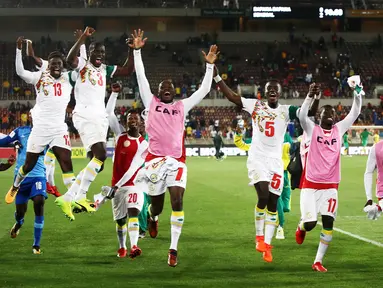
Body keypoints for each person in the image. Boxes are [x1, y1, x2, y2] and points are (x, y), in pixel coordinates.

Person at [131, 29, 218, 267]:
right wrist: (137, 52)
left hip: (177, 162)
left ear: (175, 91)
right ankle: (152, 217)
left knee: (178, 201)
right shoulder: (152, 102)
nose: (166, 89)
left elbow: (203, 91)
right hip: (154, 161)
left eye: (170, 87)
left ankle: (173, 249)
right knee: (157, 204)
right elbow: (141, 78)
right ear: (159, 92)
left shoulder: (182, 106)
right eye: (163, 87)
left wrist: (209, 67)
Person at [214, 67, 319, 263]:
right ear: (264, 92)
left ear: (279, 93)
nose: (272, 92)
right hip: (258, 158)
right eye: (269, 89)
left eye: (275, 89)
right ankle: (259, 237)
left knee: (272, 203)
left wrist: (313, 96)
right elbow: (232, 97)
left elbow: (310, 112)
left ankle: (267, 246)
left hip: (276, 162)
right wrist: (217, 76)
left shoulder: (286, 110)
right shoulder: (255, 105)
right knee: (262, 195)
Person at [56, 27, 134, 221]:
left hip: (100, 118)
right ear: (89, 52)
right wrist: (82, 39)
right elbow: (68, 61)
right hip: (84, 115)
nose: (99, 55)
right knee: (100, 154)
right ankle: (80, 196)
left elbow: (128, 70)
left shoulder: (105, 69)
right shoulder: (82, 66)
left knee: (96, 163)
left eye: (102, 52)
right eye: (96, 52)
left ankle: (67, 197)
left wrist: (133, 50)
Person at [295, 82, 362, 272]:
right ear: (320, 117)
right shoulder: (311, 129)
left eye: (333, 113)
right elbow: (301, 116)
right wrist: (309, 96)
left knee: (328, 223)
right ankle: (301, 227)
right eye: (327, 112)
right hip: (310, 185)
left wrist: (357, 92)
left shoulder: (338, 130)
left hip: (331, 186)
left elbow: (355, 113)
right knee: (310, 223)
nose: (331, 115)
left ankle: (318, 261)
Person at [5, 37, 76, 205]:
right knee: (29, 165)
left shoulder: (69, 78)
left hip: (59, 128)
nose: (56, 66)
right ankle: (16, 184)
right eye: (53, 64)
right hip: (40, 129)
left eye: (59, 63)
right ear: (48, 65)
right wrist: (18, 50)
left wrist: (82, 44)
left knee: (66, 161)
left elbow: (80, 65)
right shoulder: (40, 78)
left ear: (62, 65)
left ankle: (74, 197)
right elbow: (21, 72)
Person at [105, 83, 149, 258]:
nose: (132, 120)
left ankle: (134, 246)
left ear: (140, 124)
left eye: (135, 119)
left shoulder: (144, 144)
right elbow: (108, 114)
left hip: (134, 185)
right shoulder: (119, 135)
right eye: (130, 118)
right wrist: (114, 94)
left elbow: (133, 169)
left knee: (133, 213)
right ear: (125, 122)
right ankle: (122, 246)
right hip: (116, 185)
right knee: (120, 220)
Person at [0, 124, 48, 254]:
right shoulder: (20, 131)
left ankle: (36, 245)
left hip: (38, 176)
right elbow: (3, 141)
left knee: (39, 201)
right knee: (21, 212)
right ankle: (18, 223)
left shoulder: (47, 130)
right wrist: (13, 143)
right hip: (21, 178)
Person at [363, 140, 383, 220]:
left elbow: (368, 172)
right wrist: (369, 198)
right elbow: (368, 172)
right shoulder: (376, 148)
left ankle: (378, 208)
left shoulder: (376, 148)